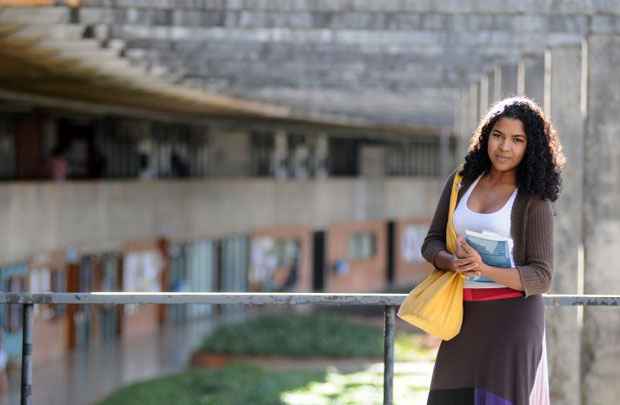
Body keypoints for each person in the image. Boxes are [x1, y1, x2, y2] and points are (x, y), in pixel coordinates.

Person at [422, 97, 565, 405]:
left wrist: (483, 268)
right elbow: (431, 242)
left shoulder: (533, 199)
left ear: (530, 147)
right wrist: (452, 262)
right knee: (448, 399)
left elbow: (541, 277)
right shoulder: (461, 182)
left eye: (517, 140)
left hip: (512, 322)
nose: (504, 147)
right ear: (486, 136)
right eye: (498, 136)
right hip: (461, 317)